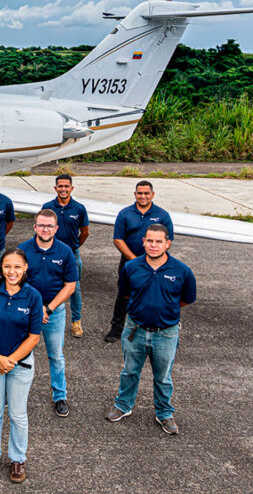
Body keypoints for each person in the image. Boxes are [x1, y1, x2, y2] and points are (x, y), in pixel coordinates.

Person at [105, 224, 196, 435]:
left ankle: (164, 413)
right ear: (143, 242)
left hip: (166, 333)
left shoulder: (182, 271)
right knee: (129, 371)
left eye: (158, 241)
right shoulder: (131, 267)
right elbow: (126, 294)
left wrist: (163, 311)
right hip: (135, 330)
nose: (153, 245)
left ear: (168, 244)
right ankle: (123, 405)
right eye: (150, 241)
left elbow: (186, 299)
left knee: (163, 376)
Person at [0, 249, 42, 484]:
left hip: (20, 366)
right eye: (7, 267)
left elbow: (34, 337)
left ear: (25, 268)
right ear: (1, 269)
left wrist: (9, 360)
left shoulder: (33, 296)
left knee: (17, 415)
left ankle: (17, 459)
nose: (11, 271)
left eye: (16, 267)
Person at [18, 209, 77, 418]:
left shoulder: (65, 252)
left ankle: (60, 396)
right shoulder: (23, 250)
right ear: (35, 227)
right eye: (41, 225)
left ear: (56, 228)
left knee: (56, 356)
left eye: (49, 226)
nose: (45, 229)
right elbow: (16, 282)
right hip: (26, 310)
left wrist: (48, 308)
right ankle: (17, 395)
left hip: (55, 312)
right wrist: (36, 308)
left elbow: (70, 286)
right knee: (21, 354)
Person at [105, 181, 174, 343]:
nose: (143, 196)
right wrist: (135, 260)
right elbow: (118, 239)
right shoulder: (125, 214)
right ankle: (116, 329)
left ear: (152, 195)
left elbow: (168, 241)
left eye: (146, 193)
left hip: (155, 264)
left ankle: (150, 328)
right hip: (129, 262)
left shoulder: (163, 215)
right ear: (135, 194)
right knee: (124, 295)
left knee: (152, 294)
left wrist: (152, 260)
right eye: (140, 193)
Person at [42, 174, 89, 338]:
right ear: (55, 188)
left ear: (71, 188)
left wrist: (72, 249)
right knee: (46, 284)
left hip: (71, 255)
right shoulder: (48, 207)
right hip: (50, 254)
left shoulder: (79, 208)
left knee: (74, 289)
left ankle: (76, 321)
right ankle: (42, 315)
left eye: (66, 186)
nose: (63, 189)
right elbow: (43, 230)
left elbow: (84, 232)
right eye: (60, 186)